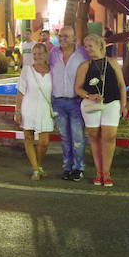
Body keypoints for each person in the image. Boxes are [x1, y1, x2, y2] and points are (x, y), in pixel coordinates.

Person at [74, 34, 127, 187]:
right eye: (86, 46)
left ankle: (106, 172)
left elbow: (122, 85)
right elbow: (77, 88)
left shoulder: (112, 63)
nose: (88, 49)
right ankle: (99, 172)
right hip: (91, 105)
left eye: (90, 45)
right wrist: (89, 95)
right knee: (94, 137)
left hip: (112, 104)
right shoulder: (85, 66)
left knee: (109, 137)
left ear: (100, 46)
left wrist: (123, 104)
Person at [48, 26, 88, 181]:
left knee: (78, 138)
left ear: (74, 38)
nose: (62, 39)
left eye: (66, 36)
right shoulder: (53, 53)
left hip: (76, 102)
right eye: (60, 36)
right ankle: (67, 167)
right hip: (58, 102)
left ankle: (78, 168)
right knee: (64, 138)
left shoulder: (83, 53)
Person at [14, 43, 54, 181]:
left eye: (40, 54)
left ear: (46, 54)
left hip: (45, 108)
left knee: (44, 142)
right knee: (29, 138)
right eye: (34, 54)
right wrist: (18, 111)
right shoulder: (27, 70)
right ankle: (36, 169)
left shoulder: (53, 71)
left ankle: (39, 164)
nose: (37, 57)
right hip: (28, 107)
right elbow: (20, 92)